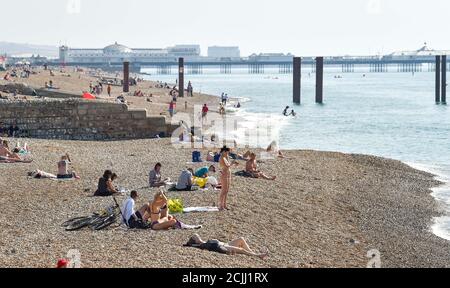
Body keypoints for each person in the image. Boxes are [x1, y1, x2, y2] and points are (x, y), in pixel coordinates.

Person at [184, 234, 268, 259]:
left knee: (241, 239)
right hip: (224, 247)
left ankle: (253, 253)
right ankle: (257, 255)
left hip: (226, 243)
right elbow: (217, 249)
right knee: (242, 250)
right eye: (195, 237)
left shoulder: (204, 242)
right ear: (194, 241)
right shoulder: (202, 245)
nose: (198, 236)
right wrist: (226, 251)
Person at [218, 146, 238, 211]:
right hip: (224, 174)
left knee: (227, 191)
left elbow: (228, 164)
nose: (228, 153)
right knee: (223, 190)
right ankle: (221, 205)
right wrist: (232, 162)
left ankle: (224, 205)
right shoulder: (221, 157)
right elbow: (227, 166)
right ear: (224, 151)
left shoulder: (226, 157)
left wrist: (233, 162)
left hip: (228, 174)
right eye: (227, 152)